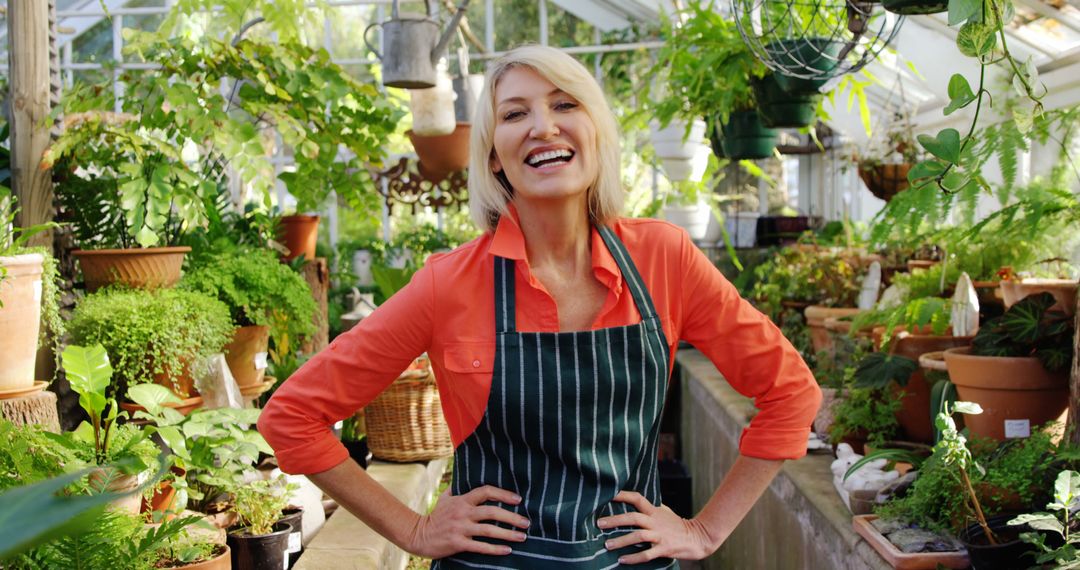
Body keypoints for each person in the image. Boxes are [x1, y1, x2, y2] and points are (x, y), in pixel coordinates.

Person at [258, 45, 820, 569]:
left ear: (595, 131)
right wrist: (414, 531)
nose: (542, 126)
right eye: (514, 114)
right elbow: (292, 418)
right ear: (495, 158)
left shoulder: (663, 258)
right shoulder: (448, 284)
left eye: (564, 104)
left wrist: (705, 532)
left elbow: (791, 394)